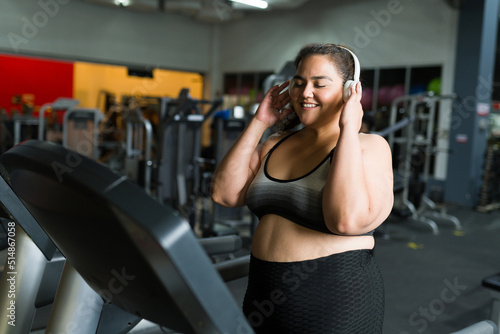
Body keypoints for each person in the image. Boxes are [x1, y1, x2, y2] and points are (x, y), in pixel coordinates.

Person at [210, 43, 394, 334]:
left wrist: (348, 129)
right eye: (299, 83)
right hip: (262, 296)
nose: (305, 93)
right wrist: (259, 122)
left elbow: (345, 221)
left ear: (349, 91)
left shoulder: (369, 147)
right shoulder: (275, 144)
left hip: (334, 301)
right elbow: (224, 193)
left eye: (319, 84)